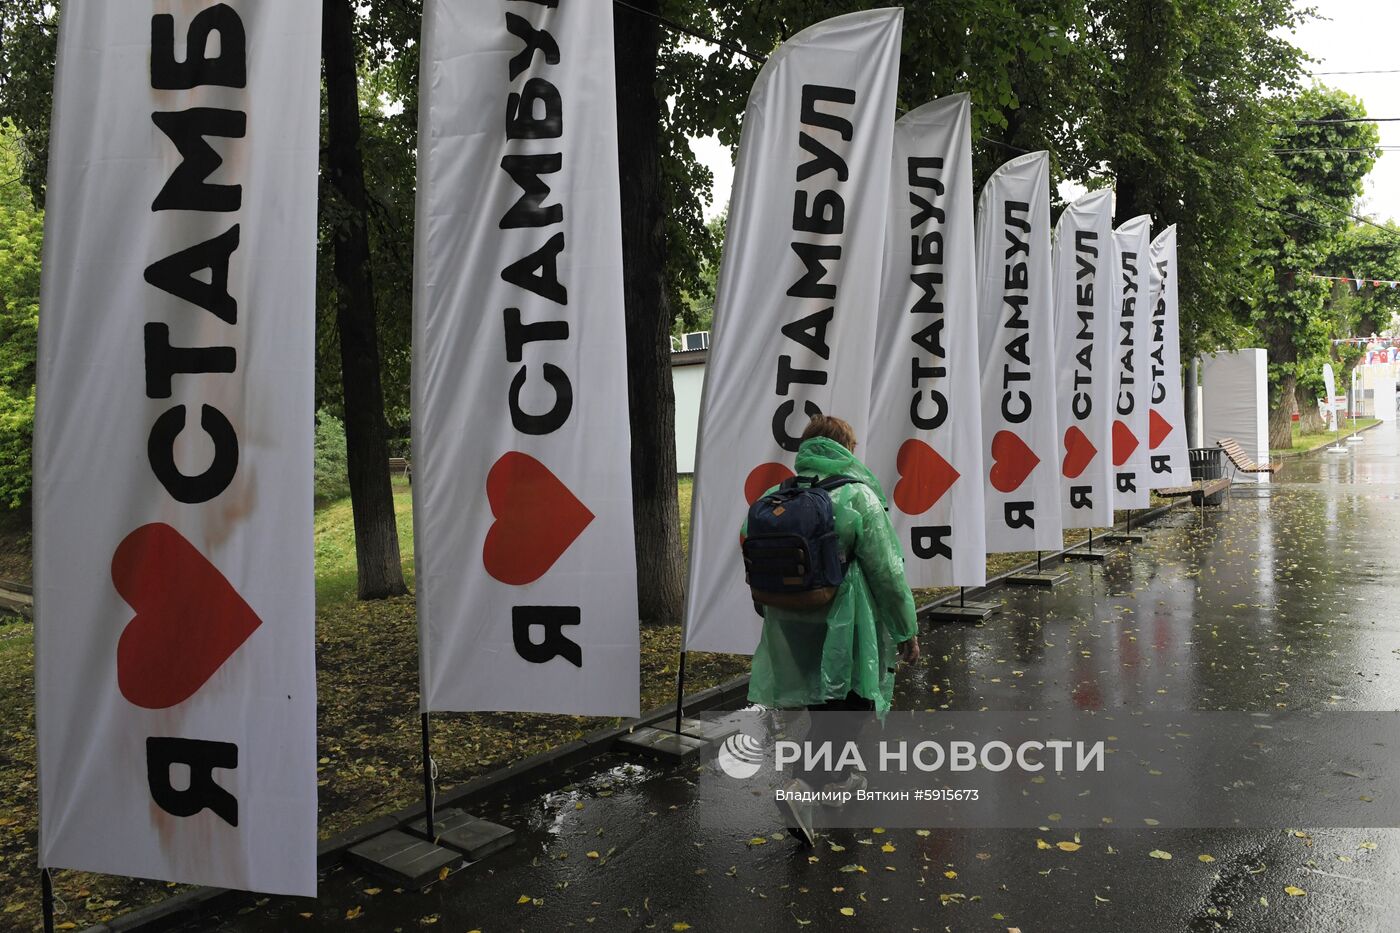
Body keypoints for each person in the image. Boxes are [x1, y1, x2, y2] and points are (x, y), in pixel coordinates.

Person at [743, 415, 919, 844]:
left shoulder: (773, 497)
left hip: (791, 623)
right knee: (851, 708)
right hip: (846, 625)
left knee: (825, 707)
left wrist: (768, 609)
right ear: (847, 448)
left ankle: (840, 782)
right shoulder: (857, 495)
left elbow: (752, 554)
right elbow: (887, 574)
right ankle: (801, 786)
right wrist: (905, 630)